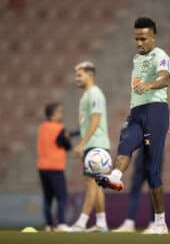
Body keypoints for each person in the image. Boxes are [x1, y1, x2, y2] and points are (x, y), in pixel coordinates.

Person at [96, 17, 170, 234]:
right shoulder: (136, 59)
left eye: (143, 39)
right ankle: (115, 177)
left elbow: (165, 78)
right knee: (126, 142)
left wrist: (150, 85)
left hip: (155, 112)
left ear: (153, 37)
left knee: (152, 170)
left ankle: (160, 223)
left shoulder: (161, 55)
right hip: (137, 112)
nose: (139, 43)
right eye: (136, 39)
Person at [113, 114, 170, 233]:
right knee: (134, 190)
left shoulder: (159, 113)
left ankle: (154, 223)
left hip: (154, 157)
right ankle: (129, 223)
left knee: (153, 190)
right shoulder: (144, 113)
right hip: (141, 159)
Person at [70, 61, 110, 232]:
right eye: (76, 75)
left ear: (90, 75)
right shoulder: (87, 94)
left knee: (91, 183)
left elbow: (95, 120)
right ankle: (101, 223)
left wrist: (82, 143)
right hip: (94, 145)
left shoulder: (94, 93)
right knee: (95, 183)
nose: (76, 79)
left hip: (96, 145)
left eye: (80, 75)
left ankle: (81, 222)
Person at [37, 102, 72, 232]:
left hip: (42, 167)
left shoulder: (42, 127)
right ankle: (62, 223)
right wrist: (68, 137)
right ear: (53, 115)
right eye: (60, 112)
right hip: (55, 167)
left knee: (47, 198)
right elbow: (67, 145)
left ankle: (48, 225)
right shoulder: (59, 128)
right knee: (62, 197)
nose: (61, 115)